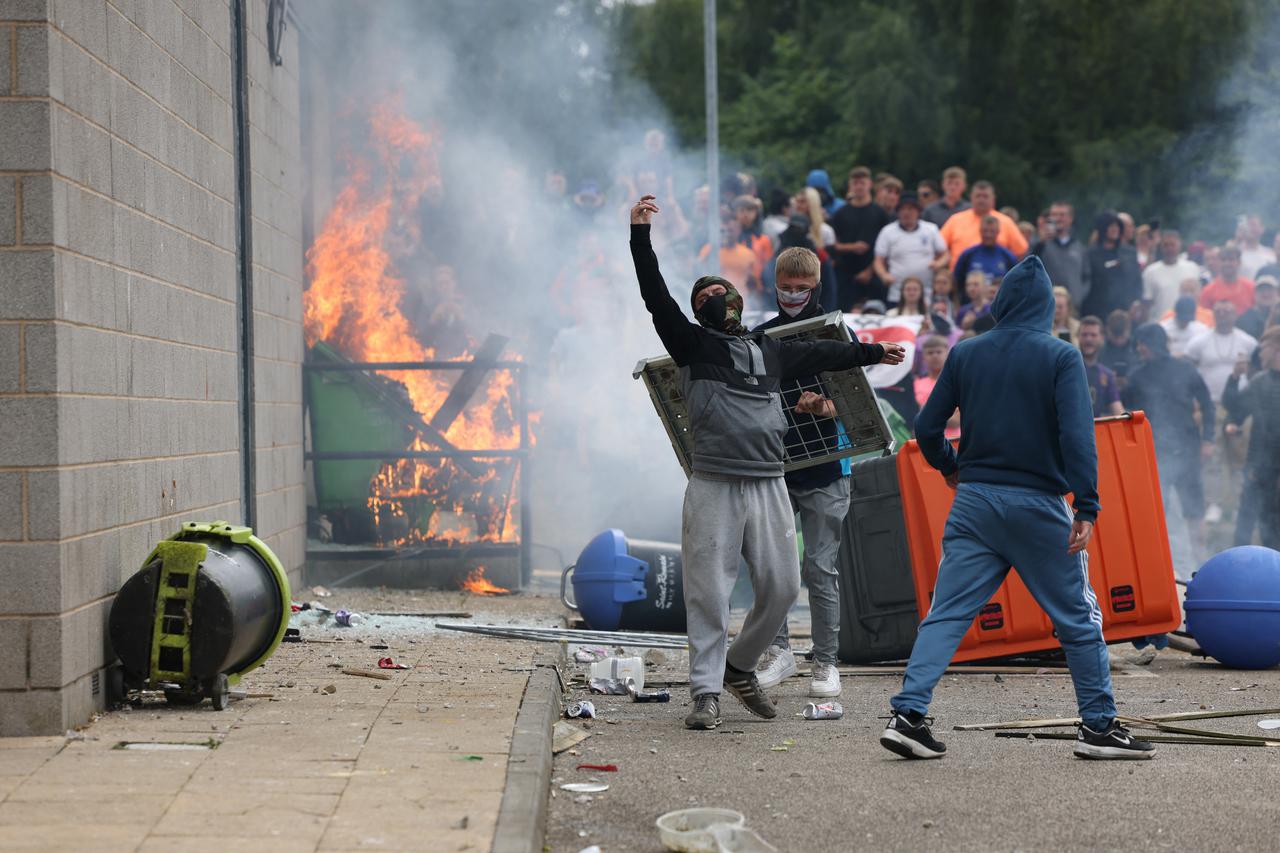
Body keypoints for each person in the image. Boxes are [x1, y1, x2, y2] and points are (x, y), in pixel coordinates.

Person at [628, 195, 903, 730]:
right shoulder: (691, 345)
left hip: (770, 483)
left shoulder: (767, 349)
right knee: (708, 591)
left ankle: (737, 666)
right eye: (704, 296)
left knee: (781, 587)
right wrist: (640, 236)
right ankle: (705, 692)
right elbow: (655, 295)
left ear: (735, 299)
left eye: (720, 291)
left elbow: (826, 353)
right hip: (715, 483)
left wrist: (872, 351)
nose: (714, 298)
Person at [880, 255, 1154, 761]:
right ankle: (1098, 727)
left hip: (975, 503)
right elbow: (1077, 437)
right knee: (1078, 618)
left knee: (947, 614)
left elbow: (925, 429)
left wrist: (949, 467)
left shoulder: (966, 353)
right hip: (1036, 506)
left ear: (1002, 305)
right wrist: (1087, 505)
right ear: (1047, 308)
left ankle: (908, 716)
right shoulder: (1061, 356)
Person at [754, 247, 860, 699]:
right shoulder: (762, 338)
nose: (793, 294)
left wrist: (823, 407)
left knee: (820, 567)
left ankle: (826, 662)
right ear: (774, 283)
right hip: (777, 468)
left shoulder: (836, 334)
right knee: (773, 569)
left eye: (801, 287)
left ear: (816, 285)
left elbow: (857, 408)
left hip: (827, 469)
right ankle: (778, 653)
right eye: (786, 286)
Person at [1124, 324, 1215, 559]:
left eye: (1141, 344)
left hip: (1187, 451)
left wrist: (1208, 440)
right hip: (1154, 454)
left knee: (1194, 512)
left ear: (1146, 344)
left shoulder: (1184, 369)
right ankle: (1159, 564)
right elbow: (1127, 416)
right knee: (1154, 514)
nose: (1139, 349)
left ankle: (1201, 562)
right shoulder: (1137, 377)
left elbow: (1207, 404)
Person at [1223, 327, 1280, 548]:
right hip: (1257, 469)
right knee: (1245, 524)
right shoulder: (1260, 381)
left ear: (1276, 348)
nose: (1260, 354)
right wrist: (1235, 378)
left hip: (1275, 471)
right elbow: (1235, 408)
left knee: (1274, 527)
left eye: (1263, 348)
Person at [831, 166, 891, 309]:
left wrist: (870, 271)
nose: (859, 187)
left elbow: (887, 247)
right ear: (850, 185)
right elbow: (833, 245)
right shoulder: (840, 214)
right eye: (855, 183)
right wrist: (852, 247)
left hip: (873, 274)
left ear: (869, 184)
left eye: (862, 183)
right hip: (846, 276)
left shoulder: (880, 213)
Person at [873, 193, 948, 305]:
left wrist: (938, 264)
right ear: (898, 212)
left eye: (910, 209)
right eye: (903, 209)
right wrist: (884, 275)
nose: (906, 213)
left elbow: (945, 254)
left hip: (926, 293)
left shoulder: (931, 229)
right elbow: (878, 260)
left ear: (918, 211)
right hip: (897, 293)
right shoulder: (887, 232)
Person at [939, 180, 1028, 267]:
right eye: (978, 196)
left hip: (997, 278)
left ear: (993, 199)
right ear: (971, 197)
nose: (981, 200)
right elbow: (939, 247)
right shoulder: (956, 220)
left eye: (985, 196)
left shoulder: (1006, 222)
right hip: (961, 277)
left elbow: (1020, 251)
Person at [1082, 212, 1142, 321]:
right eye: (1111, 226)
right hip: (1098, 312)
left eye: (1117, 226)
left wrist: (1136, 302)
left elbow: (1137, 281)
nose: (1115, 229)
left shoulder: (1129, 253)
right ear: (1102, 228)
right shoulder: (1090, 254)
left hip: (1126, 312)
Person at [1142, 230, 1201, 322]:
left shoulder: (1193, 268)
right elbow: (1146, 304)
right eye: (1166, 245)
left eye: (1172, 245)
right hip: (1161, 323)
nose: (1169, 248)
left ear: (1179, 245)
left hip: (1189, 324)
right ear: (1161, 247)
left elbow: (1198, 298)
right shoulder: (1150, 272)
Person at [953, 215, 1017, 293]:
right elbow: (957, 280)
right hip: (972, 303)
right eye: (985, 231)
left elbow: (1015, 283)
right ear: (980, 231)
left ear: (998, 232)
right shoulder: (968, 254)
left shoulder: (1007, 256)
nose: (988, 235)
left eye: (992, 231)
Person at [913, 335, 960, 438]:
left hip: (956, 440)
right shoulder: (916, 384)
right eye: (930, 353)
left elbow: (956, 421)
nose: (935, 356)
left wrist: (928, 416)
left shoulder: (957, 381)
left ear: (947, 353)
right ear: (924, 357)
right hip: (928, 441)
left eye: (939, 352)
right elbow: (916, 419)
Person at [1077, 316, 1123, 417]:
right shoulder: (1066, 369)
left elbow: (1118, 411)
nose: (1088, 339)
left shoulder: (1107, 375)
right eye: (1084, 335)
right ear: (1078, 337)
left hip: (1095, 430)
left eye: (1093, 335)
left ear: (1102, 338)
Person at [1199, 246, 1255, 315]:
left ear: (1239, 262)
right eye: (1223, 260)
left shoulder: (1251, 287)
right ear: (1219, 262)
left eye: (1231, 260)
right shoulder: (1208, 290)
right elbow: (1204, 317)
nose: (1227, 263)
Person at [1099, 309, 1138, 385]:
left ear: (1129, 330)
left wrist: (1129, 380)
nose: (1118, 341)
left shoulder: (1138, 349)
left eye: (1122, 336)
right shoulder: (1098, 348)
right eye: (1115, 337)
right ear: (1107, 330)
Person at [1237, 273, 1277, 341]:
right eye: (1262, 289)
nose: (1266, 294)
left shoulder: (1278, 317)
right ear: (1255, 293)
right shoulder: (1244, 319)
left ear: (1277, 293)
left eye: (1269, 290)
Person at [1235, 215, 1276, 280]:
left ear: (1262, 229)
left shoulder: (1270, 254)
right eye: (1247, 225)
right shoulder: (1235, 253)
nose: (1249, 228)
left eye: (1253, 225)